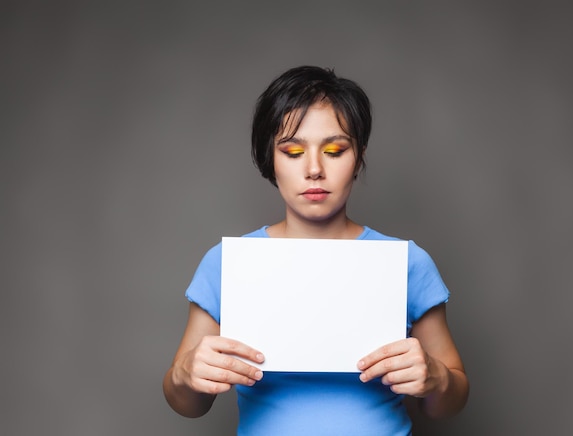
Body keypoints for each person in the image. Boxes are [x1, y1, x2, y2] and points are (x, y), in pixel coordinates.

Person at [163, 66, 469, 435]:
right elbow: (187, 403)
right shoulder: (227, 263)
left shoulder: (407, 262)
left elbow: (449, 400)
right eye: (292, 151)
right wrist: (186, 375)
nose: (314, 169)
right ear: (269, 158)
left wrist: (437, 379)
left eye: (334, 150)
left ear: (358, 156)